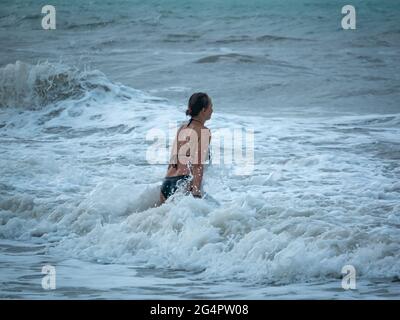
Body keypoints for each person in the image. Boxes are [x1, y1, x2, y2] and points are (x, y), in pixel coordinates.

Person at [159, 92, 213, 204]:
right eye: (211, 107)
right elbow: (197, 164)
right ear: (203, 110)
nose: (212, 110)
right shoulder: (204, 131)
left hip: (167, 182)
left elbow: (173, 160)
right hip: (183, 183)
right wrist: (196, 192)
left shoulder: (183, 127)